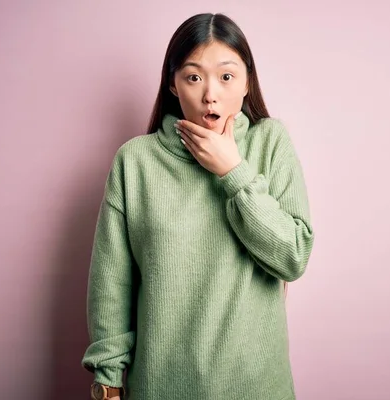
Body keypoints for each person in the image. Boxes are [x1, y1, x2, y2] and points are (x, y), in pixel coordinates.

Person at [81, 12, 315, 400]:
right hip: (160, 387)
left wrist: (233, 171)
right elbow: (112, 283)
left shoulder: (270, 143)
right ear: (173, 85)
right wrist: (107, 382)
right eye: (193, 76)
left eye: (226, 76)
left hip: (256, 387)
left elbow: (293, 256)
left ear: (246, 82)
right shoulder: (135, 161)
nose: (211, 94)